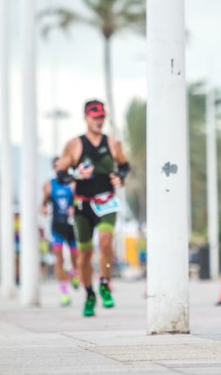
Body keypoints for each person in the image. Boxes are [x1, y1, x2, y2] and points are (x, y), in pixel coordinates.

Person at [56, 100, 130, 317]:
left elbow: (124, 166)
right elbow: (60, 174)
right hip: (83, 205)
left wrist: (120, 177)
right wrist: (76, 175)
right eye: (95, 117)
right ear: (86, 118)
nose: (99, 121)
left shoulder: (114, 144)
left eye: (102, 117)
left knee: (106, 243)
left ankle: (105, 283)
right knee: (85, 254)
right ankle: (89, 294)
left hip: (106, 201)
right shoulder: (74, 145)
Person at [41, 156, 80, 307]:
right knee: (59, 260)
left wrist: (74, 208)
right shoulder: (49, 185)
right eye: (58, 166)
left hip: (71, 226)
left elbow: (80, 202)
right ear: (54, 168)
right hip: (57, 226)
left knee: (75, 257)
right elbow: (43, 204)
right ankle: (64, 294)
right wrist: (44, 208)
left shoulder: (73, 184)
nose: (60, 169)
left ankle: (74, 274)